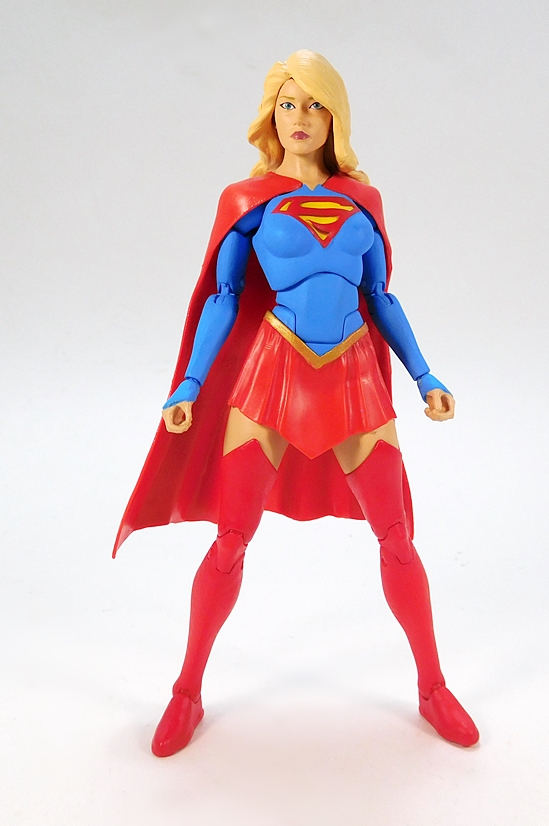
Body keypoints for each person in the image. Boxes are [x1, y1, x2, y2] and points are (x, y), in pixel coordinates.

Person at [114, 50, 479, 757]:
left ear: (334, 115)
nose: (300, 117)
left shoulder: (363, 201)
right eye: (287, 103)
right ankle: (186, 691)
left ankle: (432, 687)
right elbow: (223, 298)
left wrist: (424, 374)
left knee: (395, 535)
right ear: (270, 115)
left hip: (352, 376)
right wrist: (189, 384)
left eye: (314, 104)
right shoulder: (246, 200)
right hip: (271, 373)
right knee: (231, 537)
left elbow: (380, 296)